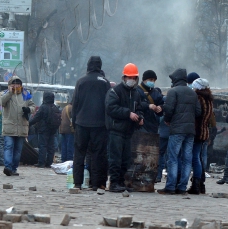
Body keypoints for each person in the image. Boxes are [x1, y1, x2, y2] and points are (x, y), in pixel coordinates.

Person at [105, 63, 148, 192]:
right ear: (124, 77)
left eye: (134, 78)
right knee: (115, 158)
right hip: (116, 130)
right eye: (130, 77)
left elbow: (139, 108)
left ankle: (121, 182)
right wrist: (127, 113)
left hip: (128, 131)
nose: (132, 80)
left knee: (126, 159)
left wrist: (140, 118)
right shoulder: (115, 91)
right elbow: (111, 108)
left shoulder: (136, 94)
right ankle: (113, 183)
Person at [158, 68, 202, 196]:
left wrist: (167, 120)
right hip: (190, 130)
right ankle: (182, 187)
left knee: (173, 158)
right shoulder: (193, 93)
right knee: (187, 159)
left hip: (177, 129)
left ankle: (170, 187)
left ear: (176, 79)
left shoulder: (173, 91)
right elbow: (198, 112)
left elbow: (169, 109)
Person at [71, 56, 111, 190]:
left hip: (81, 122)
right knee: (97, 155)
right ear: (100, 66)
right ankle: (95, 184)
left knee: (79, 154)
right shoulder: (105, 82)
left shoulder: (81, 81)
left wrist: (74, 122)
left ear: (88, 65)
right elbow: (108, 105)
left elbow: (75, 103)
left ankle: (77, 183)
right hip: (99, 124)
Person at [0, 76, 36, 177]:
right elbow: (0, 103)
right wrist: (10, 93)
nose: (16, 85)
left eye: (18, 83)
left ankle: (14, 168)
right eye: (13, 83)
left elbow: (33, 106)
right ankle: (8, 167)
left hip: (22, 127)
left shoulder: (25, 94)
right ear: (9, 85)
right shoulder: (4, 94)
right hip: (9, 127)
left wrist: (28, 109)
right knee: (8, 146)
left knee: (18, 150)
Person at [189, 77, 214, 195]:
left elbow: (196, 114)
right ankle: (200, 184)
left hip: (197, 131)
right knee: (199, 157)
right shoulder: (209, 99)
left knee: (195, 158)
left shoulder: (198, 98)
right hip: (204, 131)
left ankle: (196, 184)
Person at [29, 91, 61, 168]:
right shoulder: (55, 107)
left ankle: (41, 162)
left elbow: (36, 118)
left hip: (43, 130)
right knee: (51, 147)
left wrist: (28, 123)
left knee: (42, 146)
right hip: (53, 130)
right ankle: (49, 163)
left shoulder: (43, 107)